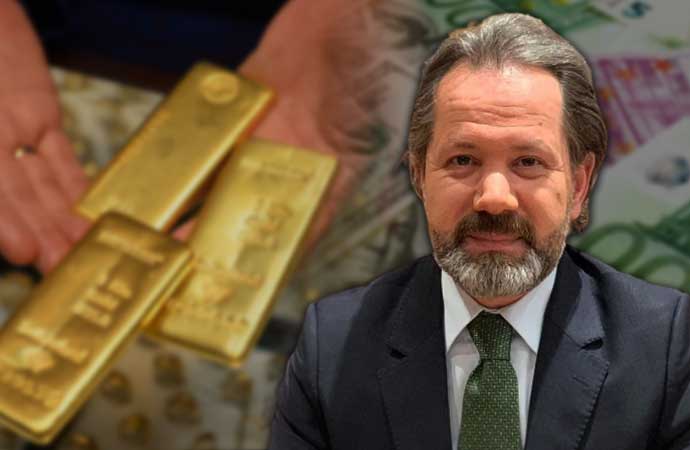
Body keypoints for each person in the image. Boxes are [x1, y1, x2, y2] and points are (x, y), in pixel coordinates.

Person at [267, 13, 690, 450]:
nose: (494, 197)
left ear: (579, 186)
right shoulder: (333, 346)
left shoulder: (665, 345)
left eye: (528, 162)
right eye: (463, 160)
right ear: (419, 176)